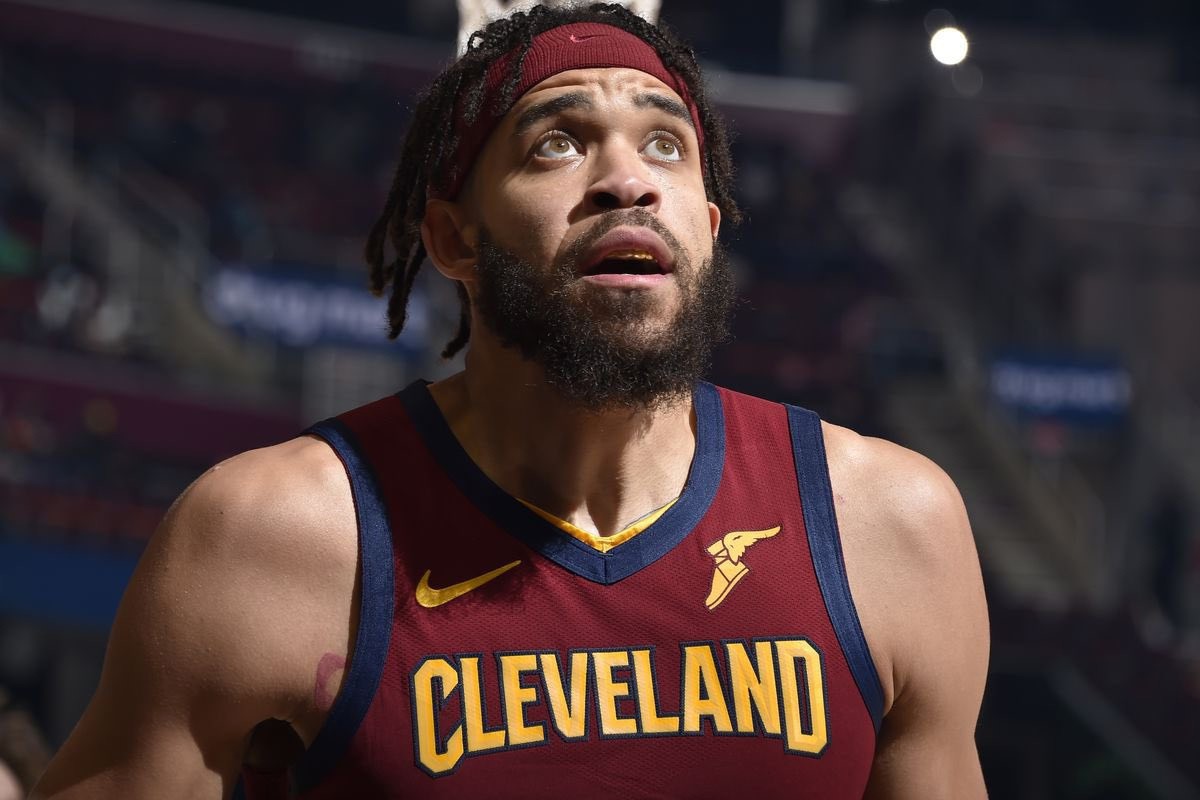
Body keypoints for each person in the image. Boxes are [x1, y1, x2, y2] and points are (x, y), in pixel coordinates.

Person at [32, 3, 989, 797]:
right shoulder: (272, 537)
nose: (628, 182)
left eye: (666, 143)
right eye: (557, 143)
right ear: (454, 240)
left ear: (706, 228)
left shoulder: (889, 526)